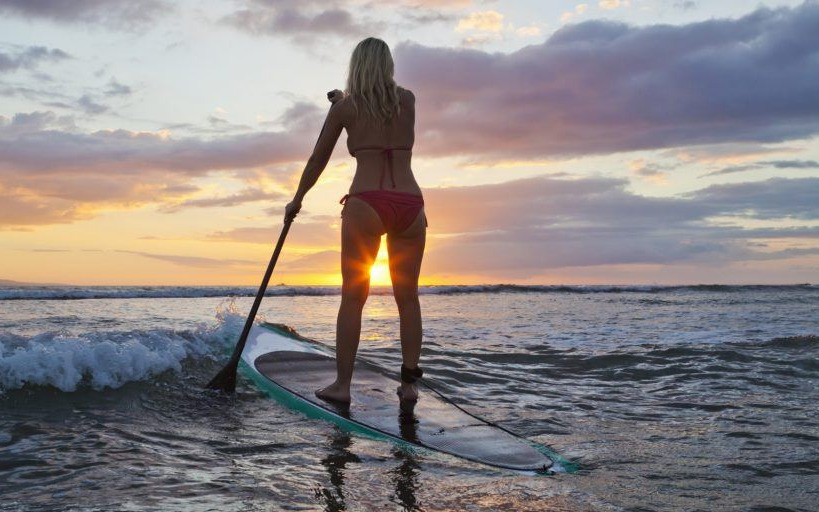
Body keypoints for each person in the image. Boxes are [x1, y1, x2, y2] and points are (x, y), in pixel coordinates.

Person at [284, 37, 426, 407]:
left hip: (367, 204)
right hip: (410, 205)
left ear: (356, 66)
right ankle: (409, 386)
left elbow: (318, 160)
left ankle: (342, 385)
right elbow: (379, 113)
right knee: (408, 298)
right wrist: (342, 102)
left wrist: (297, 199)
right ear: (388, 65)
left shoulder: (345, 109)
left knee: (353, 297)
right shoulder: (408, 100)